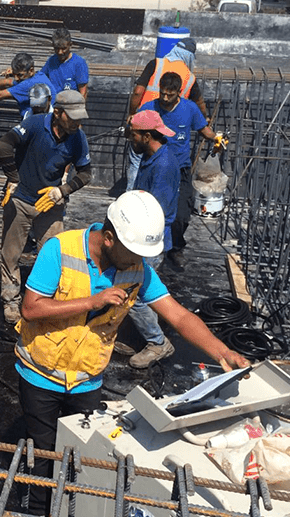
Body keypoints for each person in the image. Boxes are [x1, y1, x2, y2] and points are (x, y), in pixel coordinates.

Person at [15, 190, 250, 517]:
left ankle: (73, 515)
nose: (139, 260)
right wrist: (91, 301)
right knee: (43, 452)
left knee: (81, 454)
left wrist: (222, 351)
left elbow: (178, 315)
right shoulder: (59, 250)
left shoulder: (136, 268)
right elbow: (30, 309)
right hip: (40, 374)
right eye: (133, 251)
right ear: (108, 238)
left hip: (87, 379)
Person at [0, 89, 92, 325]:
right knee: (11, 253)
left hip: (50, 202)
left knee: (53, 252)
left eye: (80, 117)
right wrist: (12, 178)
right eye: (73, 117)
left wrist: (63, 191)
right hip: (20, 200)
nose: (77, 122)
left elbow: (86, 173)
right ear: (57, 112)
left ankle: (46, 299)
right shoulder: (36, 125)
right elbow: (3, 145)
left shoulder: (78, 138)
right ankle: (10, 298)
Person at [136, 71, 223, 269]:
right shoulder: (150, 108)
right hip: (154, 167)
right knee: (149, 211)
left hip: (180, 169)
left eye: (170, 94)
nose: (165, 98)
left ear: (179, 92)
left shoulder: (189, 108)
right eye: (162, 93)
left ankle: (175, 248)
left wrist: (215, 137)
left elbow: (203, 129)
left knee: (181, 215)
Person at [122, 109, 180, 369]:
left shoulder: (164, 165)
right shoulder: (152, 156)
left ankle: (158, 343)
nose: (130, 139)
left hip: (148, 240)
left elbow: (155, 210)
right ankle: (139, 334)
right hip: (140, 236)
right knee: (136, 289)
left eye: (133, 134)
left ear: (146, 135)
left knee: (131, 294)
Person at [125, 37, 208, 191]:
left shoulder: (156, 63)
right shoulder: (189, 77)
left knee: (137, 166)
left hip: (143, 126)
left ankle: (130, 199)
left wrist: (132, 113)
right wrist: (205, 118)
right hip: (167, 133)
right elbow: (200, 103)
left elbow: (138, 91)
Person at [40, 28, 89, 99]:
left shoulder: (79, 63)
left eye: (63, 48)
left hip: (72, 104)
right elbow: (40, 78)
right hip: (54, 104)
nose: (60, 52)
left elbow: (83, 93)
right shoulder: (51, 61)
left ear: (70, 45)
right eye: (57, 48)